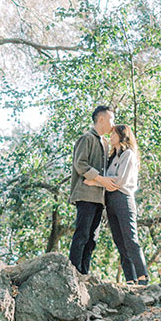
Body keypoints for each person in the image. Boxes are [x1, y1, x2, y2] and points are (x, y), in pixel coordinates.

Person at [85, 122, 149, 285]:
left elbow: (119, 181)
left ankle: (142, 276)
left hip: (123, 199)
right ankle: (130, 279)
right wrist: (103, 181)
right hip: (110, 201)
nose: (110, 136)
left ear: (122, 136)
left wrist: (96, 182)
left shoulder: (128, 154)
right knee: (119, 241)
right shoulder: (113, 157)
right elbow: (108, 179)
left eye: (114, 134)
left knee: (130, 238)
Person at [68, 104, 113, 276]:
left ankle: (84, 273)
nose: (112, 123)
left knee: (92, 239)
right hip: (85, 196)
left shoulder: (105, 143)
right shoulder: (86, 138)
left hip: (99, 199)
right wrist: (101, 180)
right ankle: (72, 273)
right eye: (111, 119)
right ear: (101, 119)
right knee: (82, 235)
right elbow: (80, 164)